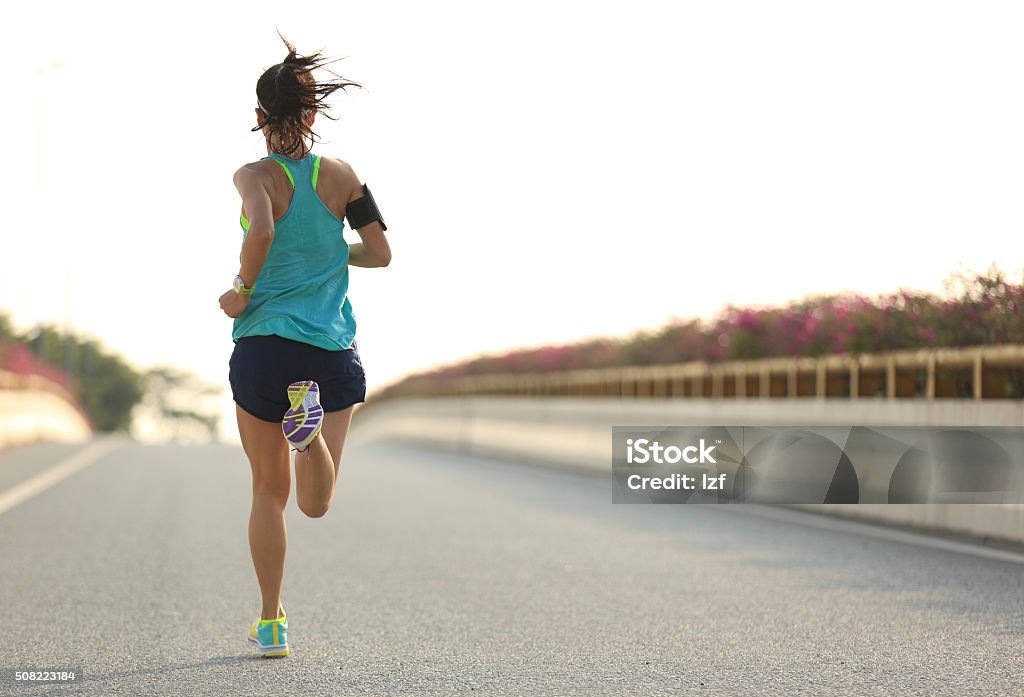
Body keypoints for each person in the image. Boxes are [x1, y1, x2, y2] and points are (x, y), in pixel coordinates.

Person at [218, 36, 392, 658]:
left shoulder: (252, 175)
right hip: (330, 352)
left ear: (259, 117)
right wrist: (328, 254)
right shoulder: (343, 176)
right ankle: (309, 434)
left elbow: (261, 228)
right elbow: (381, 252)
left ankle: (271, 622)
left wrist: (242, 289)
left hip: (265, 347)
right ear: (314, 115)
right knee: (317, 502)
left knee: (270, 493)